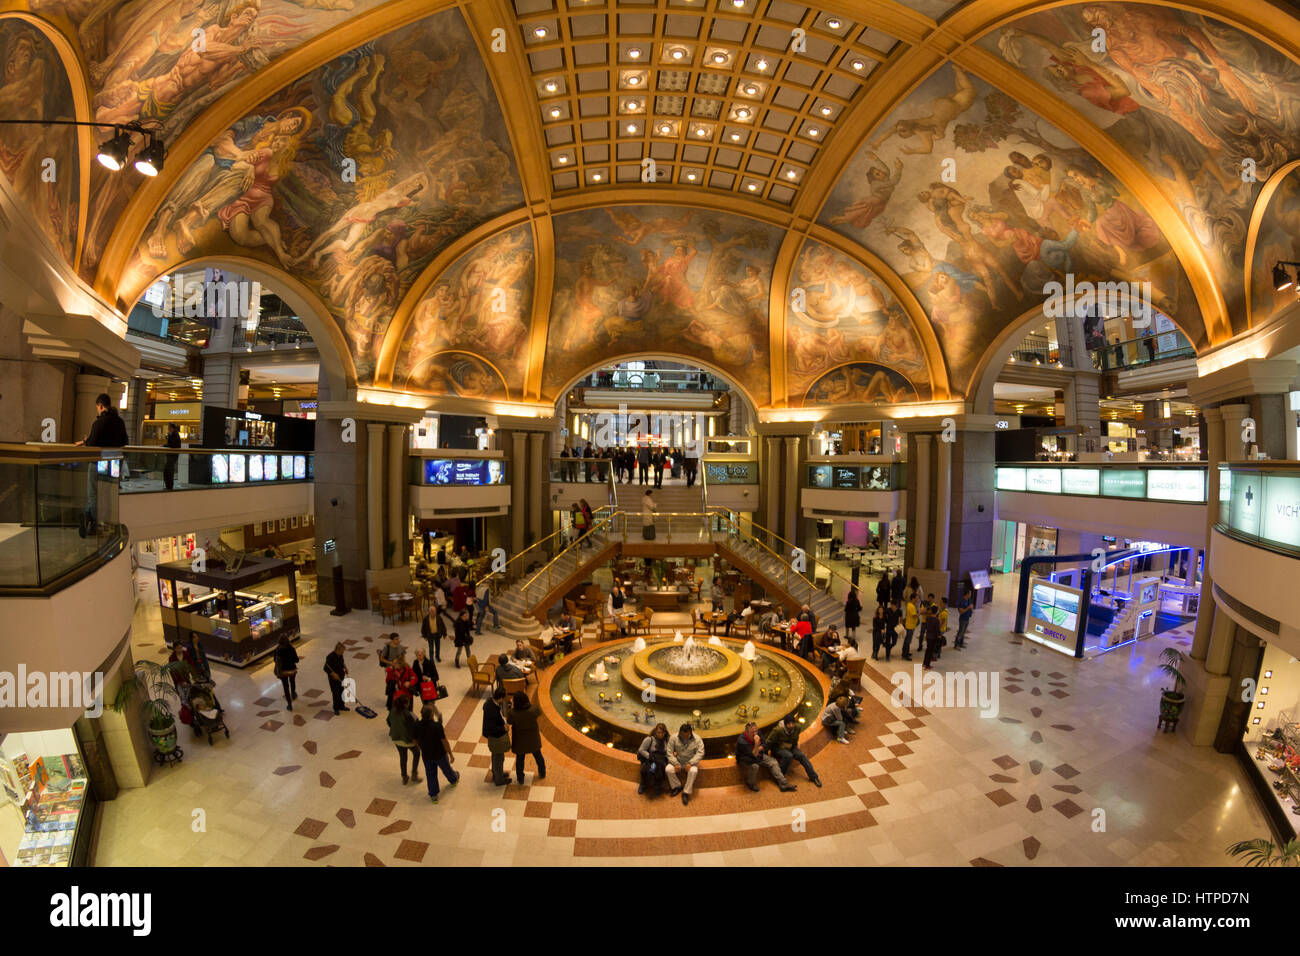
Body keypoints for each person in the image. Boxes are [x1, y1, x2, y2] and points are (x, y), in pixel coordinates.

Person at [736, 721, 797, 792]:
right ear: (747, 732)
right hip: (747, 759)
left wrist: (758, 748)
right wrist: (756, 744)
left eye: (756, 731)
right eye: (752, 732)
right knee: (755, 767)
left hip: (758, 755)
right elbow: (753, 755)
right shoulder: (741, 741)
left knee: (773, 762)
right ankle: (751, 784)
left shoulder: (758, 733)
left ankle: (783, 784)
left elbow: (765, 744)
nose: (755, 733)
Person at [415, 704, 458, 802]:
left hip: (426, 755)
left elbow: (414, 739)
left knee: (430, 774)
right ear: (431, 715)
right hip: (440, 754)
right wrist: (450, 754)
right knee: (446, 768)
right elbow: (444, 741)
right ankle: (453, 780)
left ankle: (433, 795)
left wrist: (420, 747)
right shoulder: (437, 726)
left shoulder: (417, 725)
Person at [765, 715, 823, 787]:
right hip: (778, 748)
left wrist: (795, 745)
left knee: (801, 756)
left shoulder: (797, 727)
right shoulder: (778, 730)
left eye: (792, 723)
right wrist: (765, 753)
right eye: (789, 724)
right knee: (788, 756)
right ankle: (780, 778)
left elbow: (795, 739)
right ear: (785, 724)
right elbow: (769, 741)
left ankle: (814, 777)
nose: (791, 725)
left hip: (791, 746)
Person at [507, 691, 546, 784]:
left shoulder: (513, 713)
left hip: (520, 740)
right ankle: (542, 772)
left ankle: (520, 778)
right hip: (533, 738)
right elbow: (539, 712)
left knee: (520, 759)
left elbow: (509, 721)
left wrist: (511, 708)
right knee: (538, 756)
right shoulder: (533, 710)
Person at [386, 696, 422, 786]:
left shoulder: (392, 710)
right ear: (406, 704)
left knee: (403, 757)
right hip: (407, 740)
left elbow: (388, 721)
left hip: (396, 739)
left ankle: (404, 777)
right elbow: (413, 728)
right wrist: (416, 741)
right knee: (417, 753)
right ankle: (414, 774)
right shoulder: (408, 714)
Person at [666, 722, 703, 805]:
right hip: (678, 761)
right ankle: (677, 786)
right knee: (668, 769)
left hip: (690, 762)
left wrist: (691, 763)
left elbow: (700, 753)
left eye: (686, 736)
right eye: (682, 736)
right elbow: (669, 752)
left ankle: (686, 792)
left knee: (693, 771)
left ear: (690, 733)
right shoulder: (674, 737)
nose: (684, 738)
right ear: (680, 732)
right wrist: (675, 763)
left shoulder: (697, 739)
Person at [482, 687, 511, 786]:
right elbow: (492, 728)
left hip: (493, 735)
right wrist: (504, 728)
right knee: (498, 758)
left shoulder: (489, 702)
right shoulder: (492, 710)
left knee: (496, 756)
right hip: (495, 737)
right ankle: (499, 779)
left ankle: (497, 773)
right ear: (500, 698)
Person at [637, 722, 670, 796]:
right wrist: (650, 757)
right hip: (650, 759)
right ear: (655, 731)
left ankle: (657, 786)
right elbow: (641, 750)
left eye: (662, 733)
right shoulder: (649, 739)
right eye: (659, 732)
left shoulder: (666, 741)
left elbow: (667, 752)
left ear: (665, 733)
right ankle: (643, 784)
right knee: (650, 768)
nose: (660, 734)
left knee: (661, 768)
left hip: (660, 760)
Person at [272, 635, 299, 710]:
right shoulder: (291, 648)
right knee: (292, 681)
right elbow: (296, 660)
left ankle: (289, 704)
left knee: (285, 687)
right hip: (292, 669)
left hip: (282, 671)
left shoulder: (277, 650)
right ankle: (293, 693)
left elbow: (275, 660)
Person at [324, 642, 349, 714]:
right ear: (337, 650)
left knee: (341, 691)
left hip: (341, 676)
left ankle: (342, 706)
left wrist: (345, 668)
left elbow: (342, 662)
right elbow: (325, 668)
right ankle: (336, 708)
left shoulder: (340, 655)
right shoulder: (330, 657)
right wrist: (333, 674)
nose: (343, 653)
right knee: (335, 693)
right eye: (342, 651)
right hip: (333, 679)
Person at [922, 605, 943, 670]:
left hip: (928, 636)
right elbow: (937, 630)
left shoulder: (927, 618)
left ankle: (924, 663)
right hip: (933, 637)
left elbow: (926, 627)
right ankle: (927, 665)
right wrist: (939, 636)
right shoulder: (937, 620)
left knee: (928, 650)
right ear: (936, 612)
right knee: (930, 651)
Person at [162, 423, 181, 490]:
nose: (168, 428)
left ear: (172, 428)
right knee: (167, 470)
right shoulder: (172, 434)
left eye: (169, 427)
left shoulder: (175, 434)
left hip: (172, 455)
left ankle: (169, 486)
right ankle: (168, 485)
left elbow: (173, 445)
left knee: (169, 470)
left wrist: (165, 446)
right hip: (171, 455)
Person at [901, 593, 919, 660]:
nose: (917, 600)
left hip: (912, 626)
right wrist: (921, 612)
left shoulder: (912, 605)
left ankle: (906, 652)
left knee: (908, 640)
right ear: (913, 598)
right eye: (916, 598)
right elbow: (914, 616)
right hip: (909, 626)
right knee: (907, 641)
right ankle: (905, 655)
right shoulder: (910, 606)